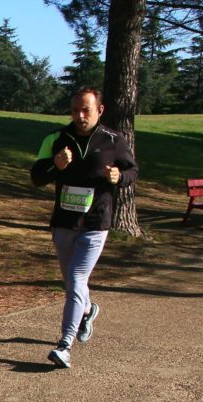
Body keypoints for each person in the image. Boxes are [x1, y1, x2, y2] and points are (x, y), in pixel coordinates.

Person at [30, 87, 139, 368]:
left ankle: (65, 344)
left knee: (76, 281)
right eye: (75, 110)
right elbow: (37, 177)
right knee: (71, 282)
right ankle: (88, 311)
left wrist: (119, 176)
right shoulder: (56, 139)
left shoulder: (114, 140)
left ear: (99, 111)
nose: (79, 116)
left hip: (95, 223)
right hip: (64, 222)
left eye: (86, 110)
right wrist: (56, 166)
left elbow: (132, 171)